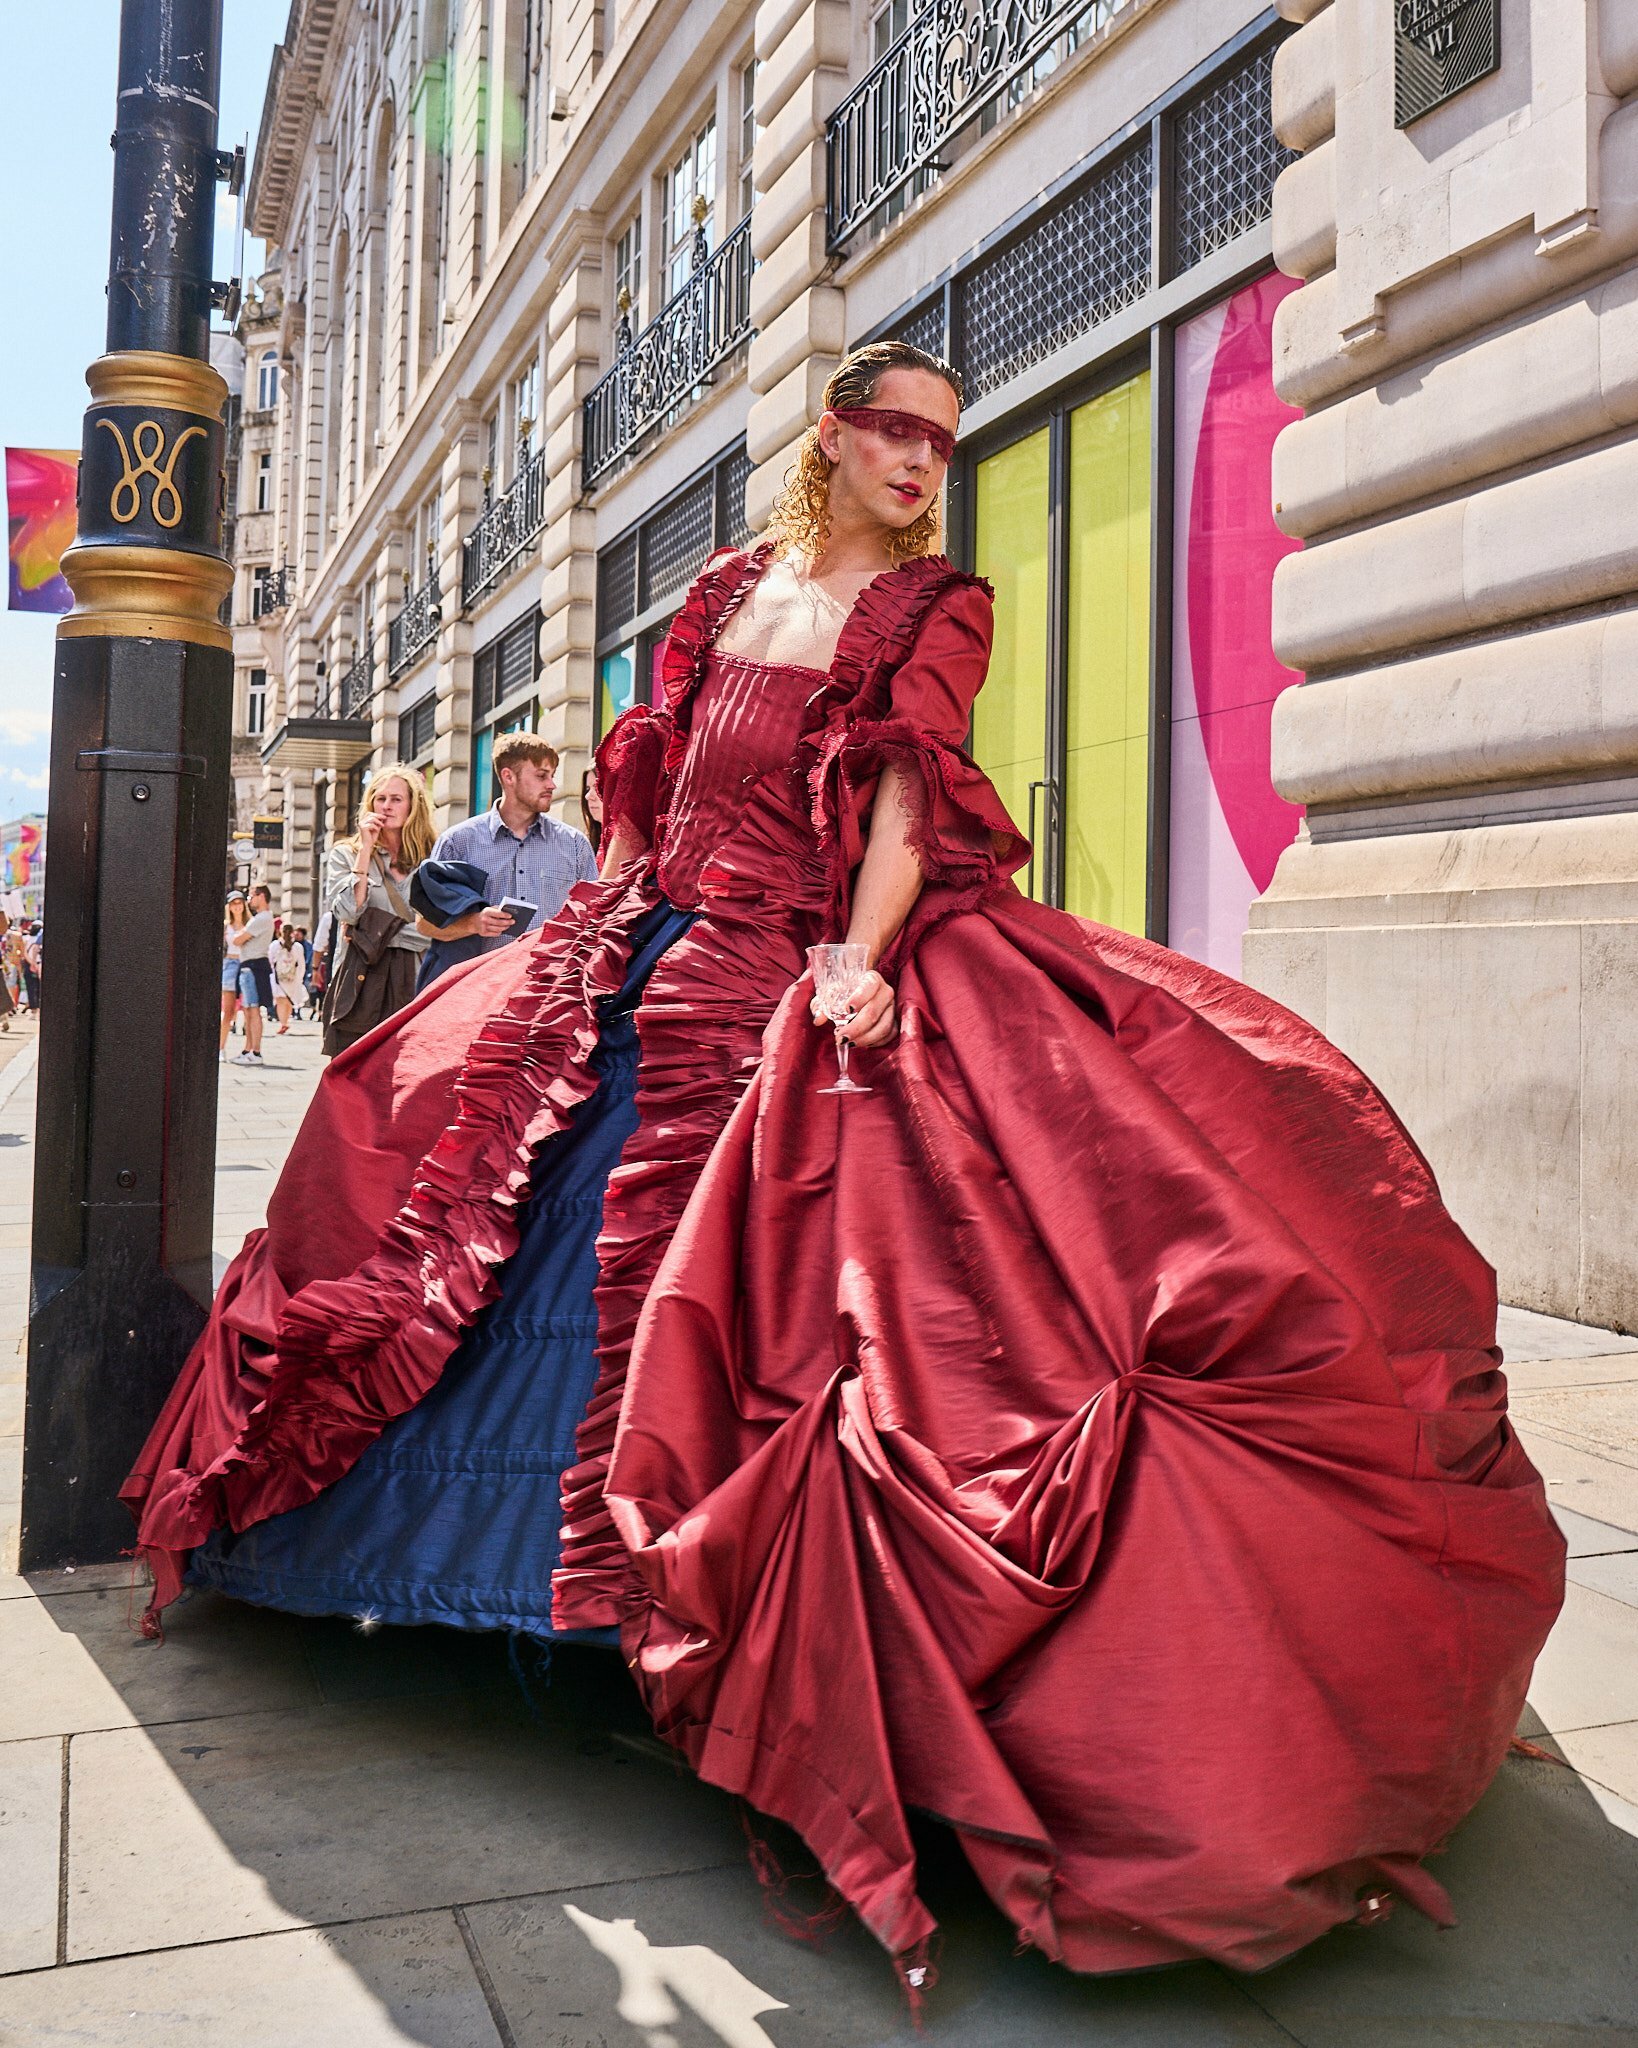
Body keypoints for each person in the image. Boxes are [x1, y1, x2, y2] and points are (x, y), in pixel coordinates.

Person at [123, 341, 1563, 1991]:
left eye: (941, 443)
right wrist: (585, 932)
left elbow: (894, 801)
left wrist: (861, 958)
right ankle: (530, 1604)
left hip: (807, 954)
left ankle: (675, 1628)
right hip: (639, 941)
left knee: (804, 1283)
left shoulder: (935, 610)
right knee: (425, 1121)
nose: (921, 462)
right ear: (833, 435)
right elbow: (649, 797)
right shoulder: (725, 586)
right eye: (896, 431)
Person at [412, 735, 597, 989]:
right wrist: (474, 923)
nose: (552, 784)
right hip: (478, 994)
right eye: (541, 776)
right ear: (509, 777)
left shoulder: (574, 845)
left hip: (550, 996)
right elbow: (424, 923)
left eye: (552, 775)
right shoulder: (458, 842)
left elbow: (594, 922)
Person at [318, 763, 433, 1056]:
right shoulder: (347, 854)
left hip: (419, 985)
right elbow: (348, 914)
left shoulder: (433, 857)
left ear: (413, 805)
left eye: (396, 799)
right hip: (362, 990)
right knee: (356, 1088)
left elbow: (438, 933)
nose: (386, 806)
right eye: (379, 799)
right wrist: (366, 851)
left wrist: (370, 934)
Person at [228, 886, 276, 1066]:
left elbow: (237, 939)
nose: (249, 899)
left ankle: (255, 1052)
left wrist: (240, 933)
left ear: (261, 896)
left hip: (253, 966)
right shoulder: (261, 918)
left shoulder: (262, 918)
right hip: (251, 965)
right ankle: (248, 1050)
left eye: (252, 895)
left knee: (253, 1009)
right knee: (248, 1010)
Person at [220, 893, 250, 1057]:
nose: (237, 906)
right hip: (230, 965)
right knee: (228, 1010)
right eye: (233, 903)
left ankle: (248, 1049)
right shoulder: (226, 926)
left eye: (239, 902)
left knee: (249, 1009)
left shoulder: (249, 924)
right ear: (229, 907)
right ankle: (221, 1048)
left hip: (245, 964)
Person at [270, 922, 308, 1034]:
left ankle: (283, 1023)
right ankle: (285, 1021)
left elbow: (271, 962)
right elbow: (301, 964)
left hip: (279, 979)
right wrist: (300, 978)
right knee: (288, 1001)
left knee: (281, 1001)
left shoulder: (274, 945)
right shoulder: (298, 947)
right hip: (292, 978)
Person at [580, 766, 603, 858]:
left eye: (597, 787)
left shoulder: (629, 846)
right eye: (587, 789)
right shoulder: (583, 843)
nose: (588, 796)